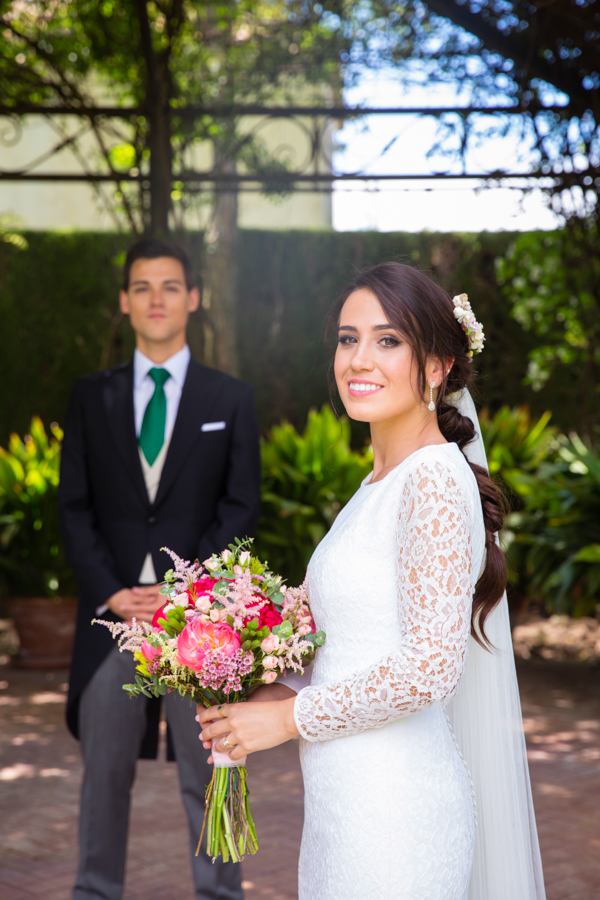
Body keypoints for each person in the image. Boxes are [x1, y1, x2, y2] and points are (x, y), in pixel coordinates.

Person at [198, 263, 546, 900]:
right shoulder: (376, 485)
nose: (359, 359)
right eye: (346, 337)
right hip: (345, 802)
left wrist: (288, 720)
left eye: (388, 341)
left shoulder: (434, 482)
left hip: (397, 814)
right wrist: (266, 689)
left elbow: (428, 670)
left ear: (439, 365)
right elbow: (355, 644)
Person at [59, 238, 261, 900]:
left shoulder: (230, 398)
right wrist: (114, 592)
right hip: (110, 621)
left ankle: (222, 894)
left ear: (193, 299)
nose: (156, 299)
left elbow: (240, 507)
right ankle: (94, 892)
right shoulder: (91, 398)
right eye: (142, 287)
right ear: (124, 301)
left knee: (210, 772)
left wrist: (183, 594)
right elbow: (74, 507)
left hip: (197, 625)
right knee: (103, 778)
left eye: (170, 286)